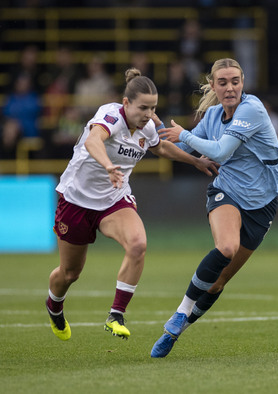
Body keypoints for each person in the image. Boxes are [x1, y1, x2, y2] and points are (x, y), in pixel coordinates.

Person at [45, 68, 219, 341]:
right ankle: (54, 306)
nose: (149, 115)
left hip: (114, 200)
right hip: (75, 202)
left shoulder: (147, 126)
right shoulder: (110, 116)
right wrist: (108, 166)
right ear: (126, 104)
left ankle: (116, 314)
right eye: (143, 108)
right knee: (70, 273)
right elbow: (93, 140)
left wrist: (196, 160)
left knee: (138, 244)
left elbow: (159, 147)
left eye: (153, 108)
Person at [150, 58, 278, 358]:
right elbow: (181, 148)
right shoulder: (212, 116)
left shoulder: (252, 108)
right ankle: (180, 312)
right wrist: (152, 131)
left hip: (262, 207)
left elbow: (220, 149)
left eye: (235, 81)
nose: (230, 88)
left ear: (243, 82)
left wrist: (183, 134)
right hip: (226, 191)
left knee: (218, 283)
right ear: (212, 85)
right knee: (226, 247)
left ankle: (176, 332)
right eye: (222, 82)